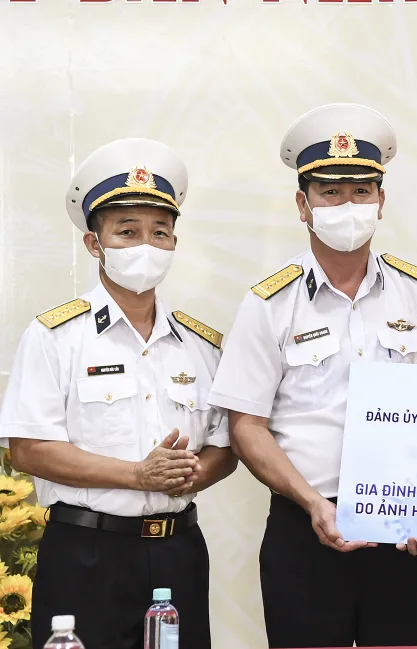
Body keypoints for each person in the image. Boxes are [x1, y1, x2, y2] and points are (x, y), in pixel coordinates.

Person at [207, 103, 417, 649]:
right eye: (331, 192)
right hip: (306, 525)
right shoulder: (269, 302)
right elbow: (246, 425)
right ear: (304, 204)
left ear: (381, 201)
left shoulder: (415, 293)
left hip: (404, 528)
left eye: (361, 191)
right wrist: (314, 504)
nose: (348, 205)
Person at [0, 138, 236, 649]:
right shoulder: (55, 335)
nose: (146, 245)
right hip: (86, 552)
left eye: (159, 232)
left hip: (178, 551)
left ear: (174, 242)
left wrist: (195, 472)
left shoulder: (201, 344)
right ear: (94, 243)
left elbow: (225, 445)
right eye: (127, 232)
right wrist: (137, 475)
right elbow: (28, 449)